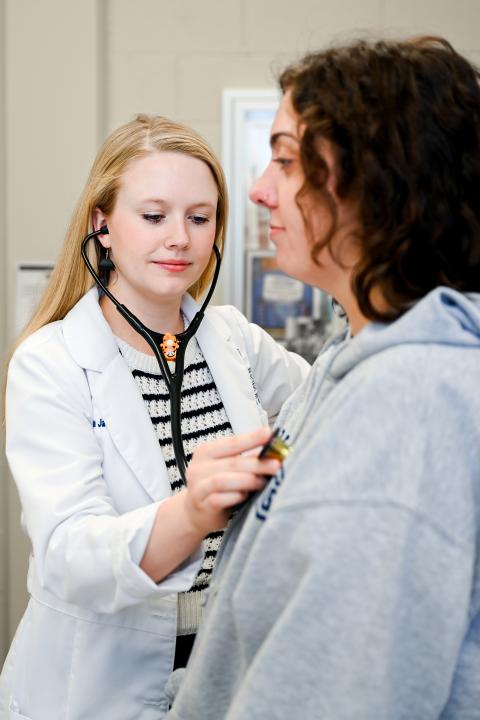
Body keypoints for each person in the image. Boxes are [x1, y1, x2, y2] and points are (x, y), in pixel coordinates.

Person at [165, 36, 480, 719]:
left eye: (283, 159)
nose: (256, 189)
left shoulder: (412, 400)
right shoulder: (341, 367)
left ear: (374, 180)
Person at [0, 114, 309, 719]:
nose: (180, 239)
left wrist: (270, 461)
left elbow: (315, 417)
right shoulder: (51, 361)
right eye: (153, 216)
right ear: (103, 225)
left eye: (200, 218)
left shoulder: (234, 339)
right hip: (96, 682)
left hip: (224, 660)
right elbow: (69, 554)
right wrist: (194, 512)